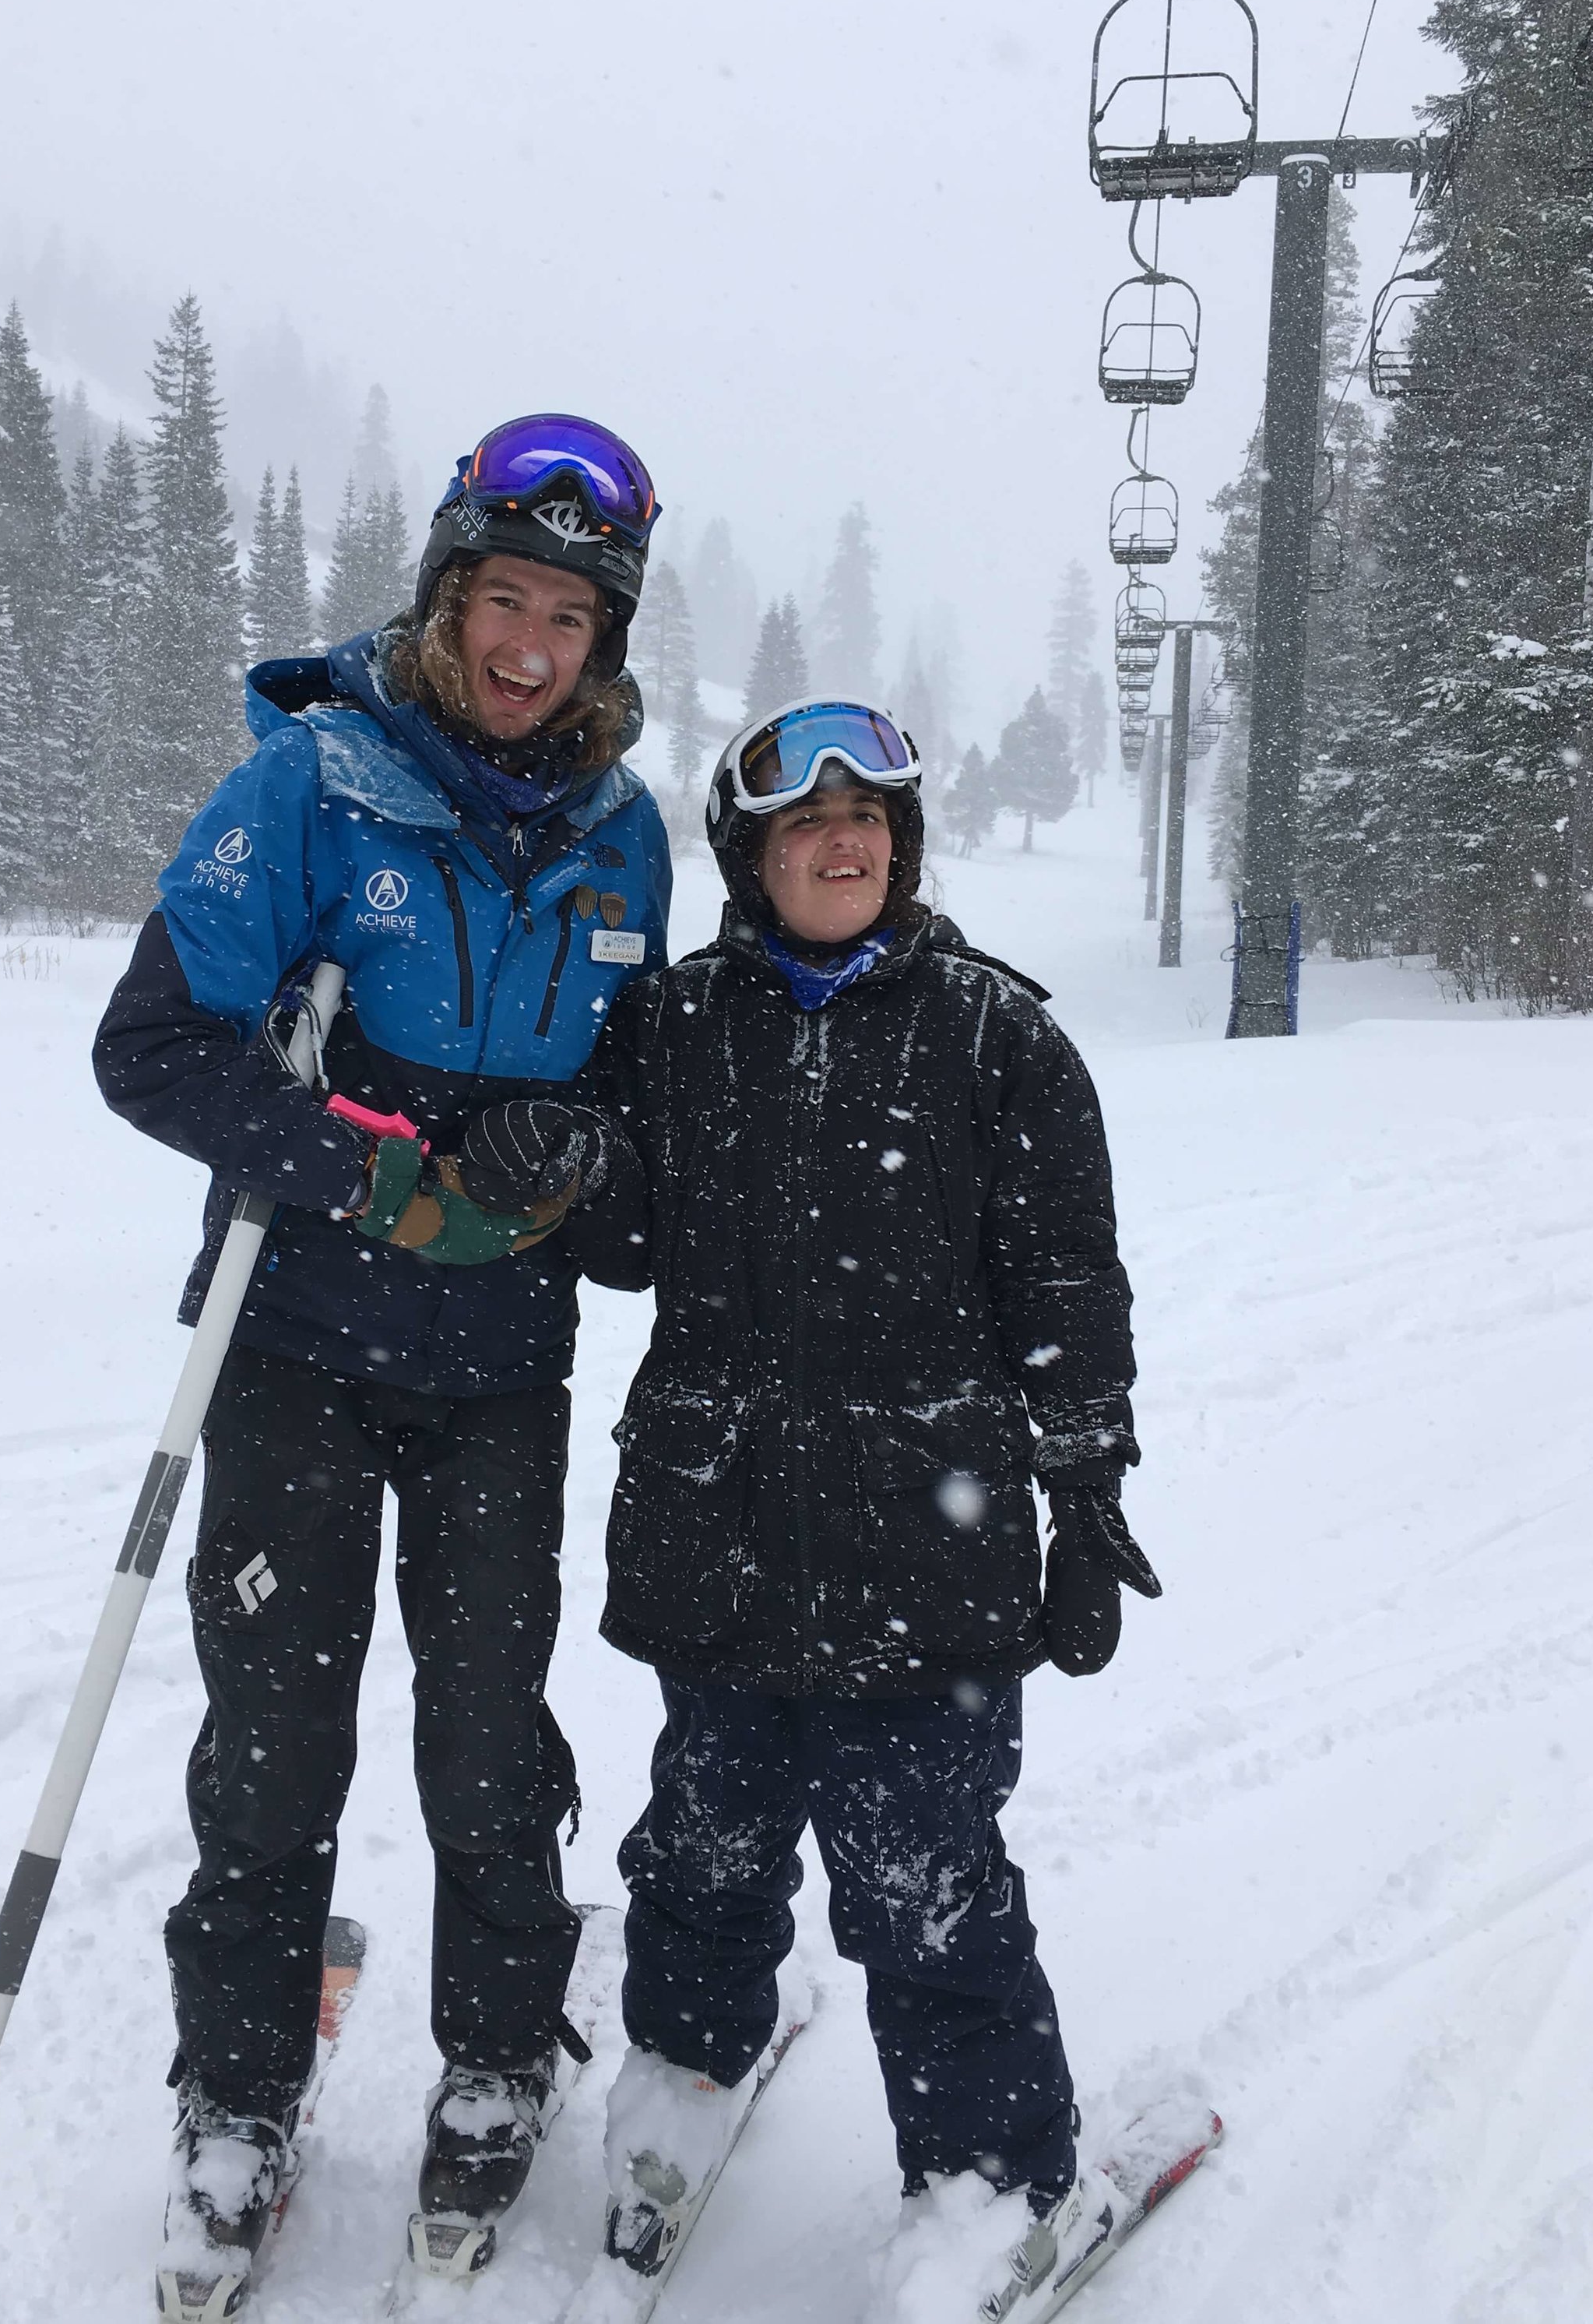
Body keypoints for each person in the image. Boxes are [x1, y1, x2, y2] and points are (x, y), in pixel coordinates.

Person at [455, 695, 1159, 2318]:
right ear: (750, 856)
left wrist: (1086, 1486)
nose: (839, 845)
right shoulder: (679, 1020)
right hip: (716, 1521)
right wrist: (563, 1150)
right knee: (699, 1842)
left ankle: (989, 2178)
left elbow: (1066, 1281)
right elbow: (629, 1233)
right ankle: (684, 2079)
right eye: (799, 827)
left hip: (933, 1533)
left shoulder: (999, 1035)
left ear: (900, 847)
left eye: (865, 823)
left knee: (921, 1875)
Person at [91, 414, 672, 2319]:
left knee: (490, 1734)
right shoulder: (312, 781)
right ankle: (238, 2097)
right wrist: (371, 1155)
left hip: (501, 1359)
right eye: (504, 598)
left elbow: (620, 1102)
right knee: (274, 1743)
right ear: (446, 594)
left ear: (605, 639)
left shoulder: (622, 835)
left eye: (569, 617)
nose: (530, 645)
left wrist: (564, 1152)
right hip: (293, 1348)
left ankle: (500, 2052)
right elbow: (155, 1049)